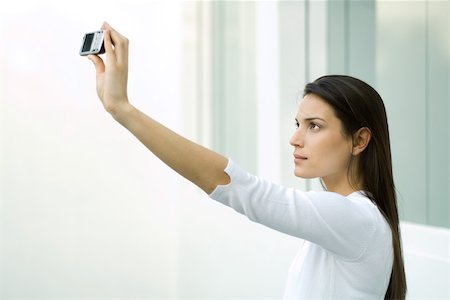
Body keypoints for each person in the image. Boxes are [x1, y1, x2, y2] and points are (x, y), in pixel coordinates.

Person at [87, 22, 407, 299]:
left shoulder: (356, 219)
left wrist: (122, 109)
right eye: (299, 124)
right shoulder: (349, 223)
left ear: (360, 140)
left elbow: (243, 190)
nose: (295, 139)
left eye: (315, 126)